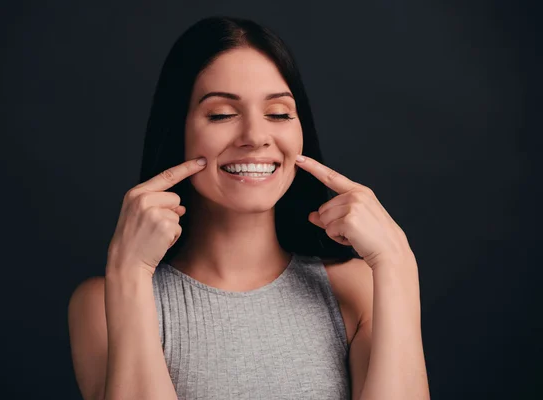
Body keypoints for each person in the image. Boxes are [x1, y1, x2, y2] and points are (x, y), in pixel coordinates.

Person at [68, 16, 430, 400]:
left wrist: (397, 261)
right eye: (222, 114)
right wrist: (129, 269)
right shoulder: (103, 302)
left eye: (278, 113)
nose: (256, 137)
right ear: (177, 132)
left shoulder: (358, 289)